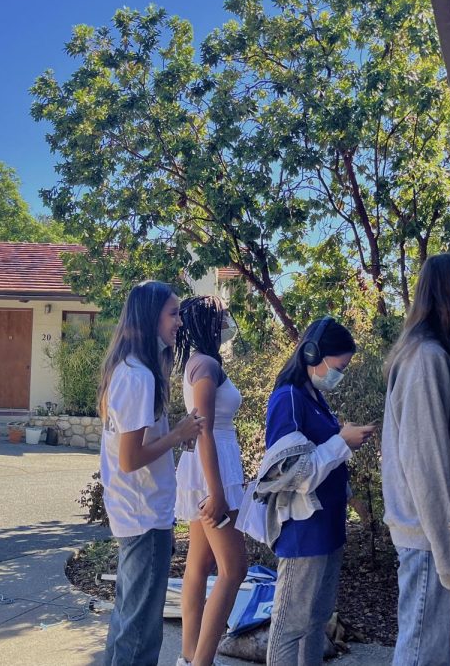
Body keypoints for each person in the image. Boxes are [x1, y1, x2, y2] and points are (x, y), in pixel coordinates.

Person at [251, 317, 374, 665]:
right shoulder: (287, 399)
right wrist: (341, 442)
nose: (341, 374)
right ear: (311, 353)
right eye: (339, 366)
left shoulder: (314, 396)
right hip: (304, 531)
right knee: (290, 625)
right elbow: (291, 473)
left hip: (328, 527)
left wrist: (345, 447)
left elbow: (322, 458)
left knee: (315, 622)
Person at [98, 281, 205, 666]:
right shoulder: (138, 375)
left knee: (128, 619)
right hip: (143, 514)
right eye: (172, 314)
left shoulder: (132, 369)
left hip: (135, 511)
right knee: (141, 630)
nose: (179, 322)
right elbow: (130, 458)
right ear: (150, 318)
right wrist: (178, 434)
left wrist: (173, 431)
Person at [381, 252, 450, 666]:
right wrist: (448, 557)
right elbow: (426, 463)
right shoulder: (427, 358)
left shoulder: (417, 354)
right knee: (420, 657)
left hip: (422, 535)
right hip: (427, 539)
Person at [173, 296, 247, 666]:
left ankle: (190, 656)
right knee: (234, 568)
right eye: (221, 318)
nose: (226, 325)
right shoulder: (205, 364)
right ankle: (201, 661)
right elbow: (202, 428)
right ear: (207, 323)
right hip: (211, 473)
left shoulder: (199, 362)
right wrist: (216, 492)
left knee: (199, 565)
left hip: (209, 468)